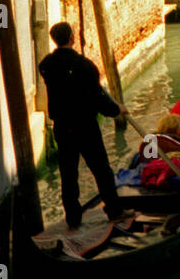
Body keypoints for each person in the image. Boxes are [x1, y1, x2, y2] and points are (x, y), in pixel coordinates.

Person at [38, 22, 132, 231]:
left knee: (68, 174)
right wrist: (117, 110)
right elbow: (98, 99)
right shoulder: (85, 66)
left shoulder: (46, 65)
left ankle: (73, 218)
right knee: (101, 170)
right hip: (85, 126)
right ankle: (115, 212)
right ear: (72, 37)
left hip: (62, 128)